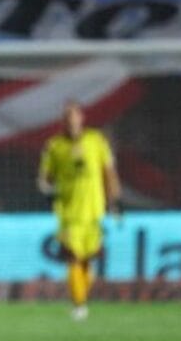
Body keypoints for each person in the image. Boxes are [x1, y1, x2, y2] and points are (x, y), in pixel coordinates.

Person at [37, 101, 121, 321]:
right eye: (67, 117)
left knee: (86, 261)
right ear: (62, 121)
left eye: (74, 116)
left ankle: (80, 299)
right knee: (73, 258)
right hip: (69, 213)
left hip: (94, 212)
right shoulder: (54, 146)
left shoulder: (96, 141)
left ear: (82, 118)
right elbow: (44, 179)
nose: (71, 121)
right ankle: (79, 304)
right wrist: (50, 189)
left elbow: (109, 171)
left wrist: (115, 201)